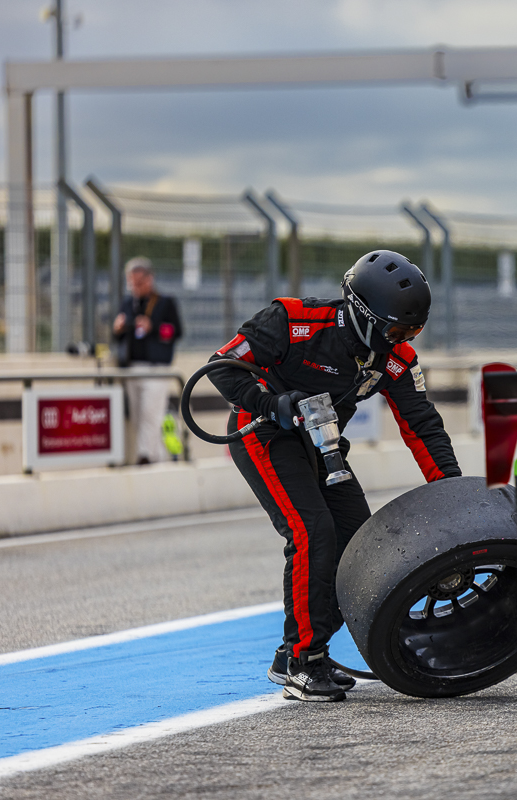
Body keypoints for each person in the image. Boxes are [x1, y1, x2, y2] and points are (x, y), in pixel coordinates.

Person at [207, 250, 461, 703]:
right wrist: (272, 404)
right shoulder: (293, 320)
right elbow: (220, 366)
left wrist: (455, 495)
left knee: (358, 545)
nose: (402, 339)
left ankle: (294, 651)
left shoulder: (398, 359)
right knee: (312, 533)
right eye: (396, 330)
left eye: (412, 331)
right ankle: (306, 663)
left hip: (322, 441)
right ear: (362, 314)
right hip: (263, 431)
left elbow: (422, 425)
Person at [112, 257, 183, 465]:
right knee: (136, 416)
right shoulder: (127, 303)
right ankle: (155, 457)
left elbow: (175, 331)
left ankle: (145, 456)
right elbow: (117, 337)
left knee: (151, 413)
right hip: (132, 365)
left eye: (139, 282)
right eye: (131, 282)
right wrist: (118, 328)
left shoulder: (164, 302)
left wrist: (153, 327)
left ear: (150, 279)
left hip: (156, 367)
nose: (135, 287)